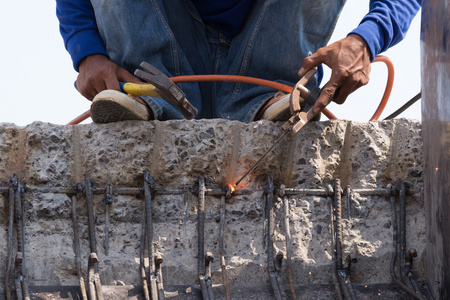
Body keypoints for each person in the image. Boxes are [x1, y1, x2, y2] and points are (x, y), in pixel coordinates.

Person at [56, 0, 420, 123]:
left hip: (268, 52)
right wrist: (87, 53)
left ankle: (267, 96)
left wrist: (365, 40)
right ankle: (150, 100)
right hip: (163, 58)